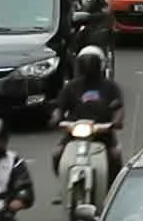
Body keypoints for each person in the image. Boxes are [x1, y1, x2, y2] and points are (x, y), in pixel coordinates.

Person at [52, 46, 124, 186]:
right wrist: (56, 118)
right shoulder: (71, 87)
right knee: (57, 154)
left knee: (114, 156)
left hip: (103, 132)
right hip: (75, 132)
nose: (88, 67)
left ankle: (114, 187)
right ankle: (64, 184)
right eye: (85, 63)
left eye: (92, 63)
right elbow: (60, 107)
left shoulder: (110, 87)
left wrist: (115, 122)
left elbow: (118, 108)